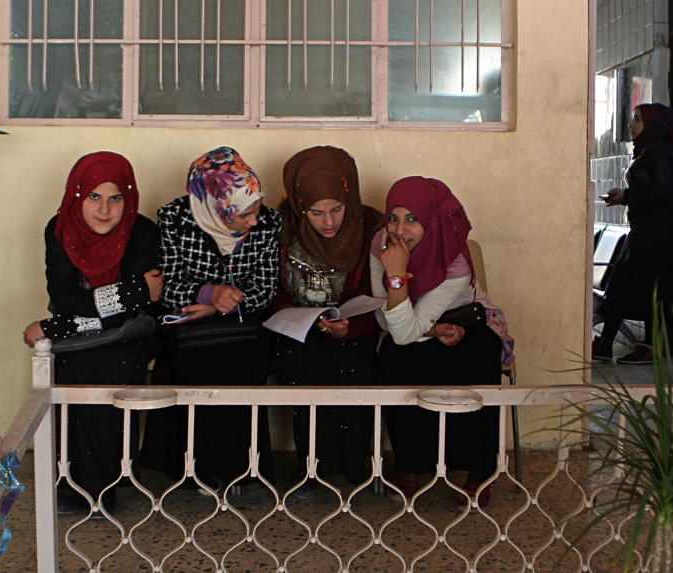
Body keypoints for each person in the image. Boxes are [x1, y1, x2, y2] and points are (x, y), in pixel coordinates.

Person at [22, 151, 163, 512]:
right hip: (79, 333)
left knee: (109, 360)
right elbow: (65, 298)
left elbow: (138, 309)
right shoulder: (60, 231)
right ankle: (70, 481)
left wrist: (60, 323)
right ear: (77, 196)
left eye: (116, 198)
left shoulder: (141, 231)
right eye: (94, 197)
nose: (105, 210)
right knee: (73, 361)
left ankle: (104, 487)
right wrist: (129, 291)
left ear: (127, 199)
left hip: (132, 334)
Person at [139, 146, 282, 489]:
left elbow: (266, 288)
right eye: (243, 215)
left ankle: (241, 470)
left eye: (256, 209)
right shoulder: (174, 218)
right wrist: (207, 295)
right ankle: (193, 471)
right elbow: (166, 287)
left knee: (242, 358)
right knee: (191, 361)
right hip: (188, 323)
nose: (254, 221)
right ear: (215, 205)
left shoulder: (270, 223)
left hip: (241, 323)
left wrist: (223, 304)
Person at [370, 176, 515, 508]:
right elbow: (384, 316)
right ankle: (410, 466)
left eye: (412, 219)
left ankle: (481, 471)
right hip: (413, 324)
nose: (400, 230)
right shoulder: (381, 244)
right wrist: (396, 275)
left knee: (478, 361)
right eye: (394, 217)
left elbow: (406, 324)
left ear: (432, 220)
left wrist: (398, 283)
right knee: (397, 359)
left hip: (466, 320)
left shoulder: (455, 261)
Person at [271, 146, 382, 491]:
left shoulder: (370, 231)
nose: (329, 222)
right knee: (308, 364)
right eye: (316, 213)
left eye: (337, 209)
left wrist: (351, 326)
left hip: (356, 330)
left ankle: (355, 463)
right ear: (299, 205)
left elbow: (379, 297)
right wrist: (299, 317)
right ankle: (312, 467)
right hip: (299, 333)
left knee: (354, 363)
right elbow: (271, 291)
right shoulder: (281, 230)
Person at [596, 103, 673, 364]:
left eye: (637, 119)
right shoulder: (648, 150)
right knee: (626, 287)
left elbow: (662, 192)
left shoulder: (659, 152)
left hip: (655, 234)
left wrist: (627, 195)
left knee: (639, 288)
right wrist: (624, 198)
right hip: (645, 231)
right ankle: (606, 345)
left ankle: (640, 347)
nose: (631, 124)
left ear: (654, 125)